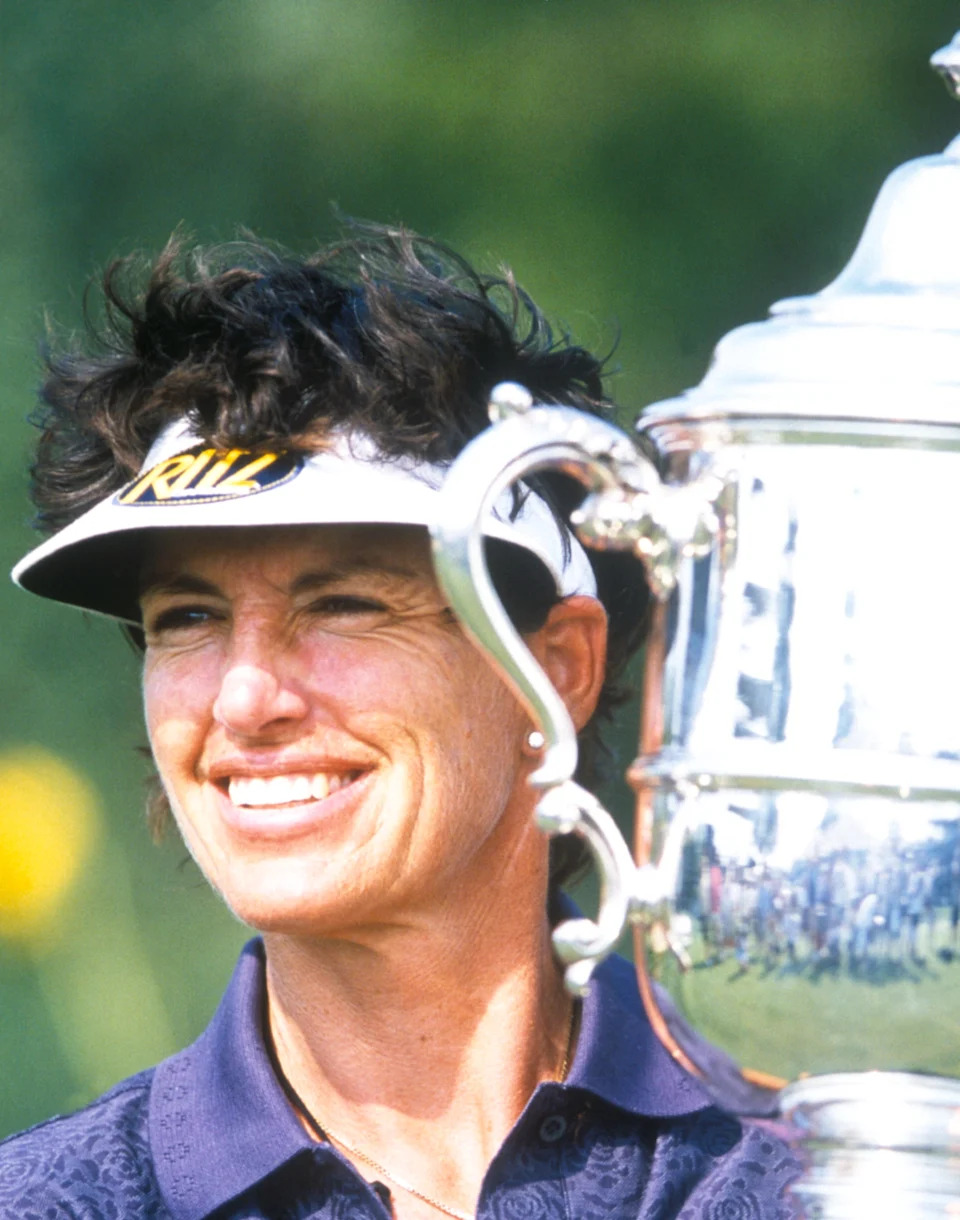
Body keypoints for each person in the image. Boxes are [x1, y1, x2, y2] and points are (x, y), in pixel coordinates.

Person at [1, 227, 801, 1218]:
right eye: (190, 618)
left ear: (557, 668)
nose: (244, 699)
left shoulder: (817, 1172)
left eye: (342, 604)